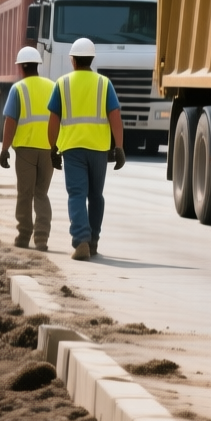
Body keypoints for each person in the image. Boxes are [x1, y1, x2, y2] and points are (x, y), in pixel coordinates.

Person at [47, 37, 125, 261]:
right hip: (99, 150)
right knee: (96, 195)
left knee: (77, 195)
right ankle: (93, 241)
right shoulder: (104, 83)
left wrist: (52, 148)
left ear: (72, 60)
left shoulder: (62, 84)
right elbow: (115, 117)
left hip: (72, 149)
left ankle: (81, 240)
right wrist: (118, 147)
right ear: (91, 59)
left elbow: (53, 120)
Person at [0, 47, 56, 250]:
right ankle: (41, 238)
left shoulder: (18, 89)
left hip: (25, 151)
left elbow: (10, 122)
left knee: (25, 193)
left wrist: (4, 149)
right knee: (41, 193)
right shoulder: (52, 86)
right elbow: (60, 119)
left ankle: (23, 236)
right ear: (37, 65)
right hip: (49, 150)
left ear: (22, 66)